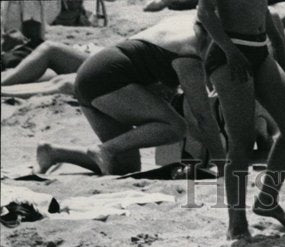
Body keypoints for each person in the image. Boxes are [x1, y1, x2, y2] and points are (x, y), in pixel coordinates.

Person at [35, 12, 226, 176]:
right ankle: (104, 149)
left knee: (125, 167)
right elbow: (201, 116)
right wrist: (223, 163)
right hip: (107, 77)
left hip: (93, 73)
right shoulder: (190, 52)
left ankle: (53, 152)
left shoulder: (182, 23)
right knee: (175, 127)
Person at [197, 0, 285, 240]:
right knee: (242, 142)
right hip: (229, 52)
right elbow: (204, 12)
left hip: (259, 50)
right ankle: (237, 222)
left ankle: (267, 199)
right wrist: (229, 50)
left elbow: (261, 8)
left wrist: (279, 44)